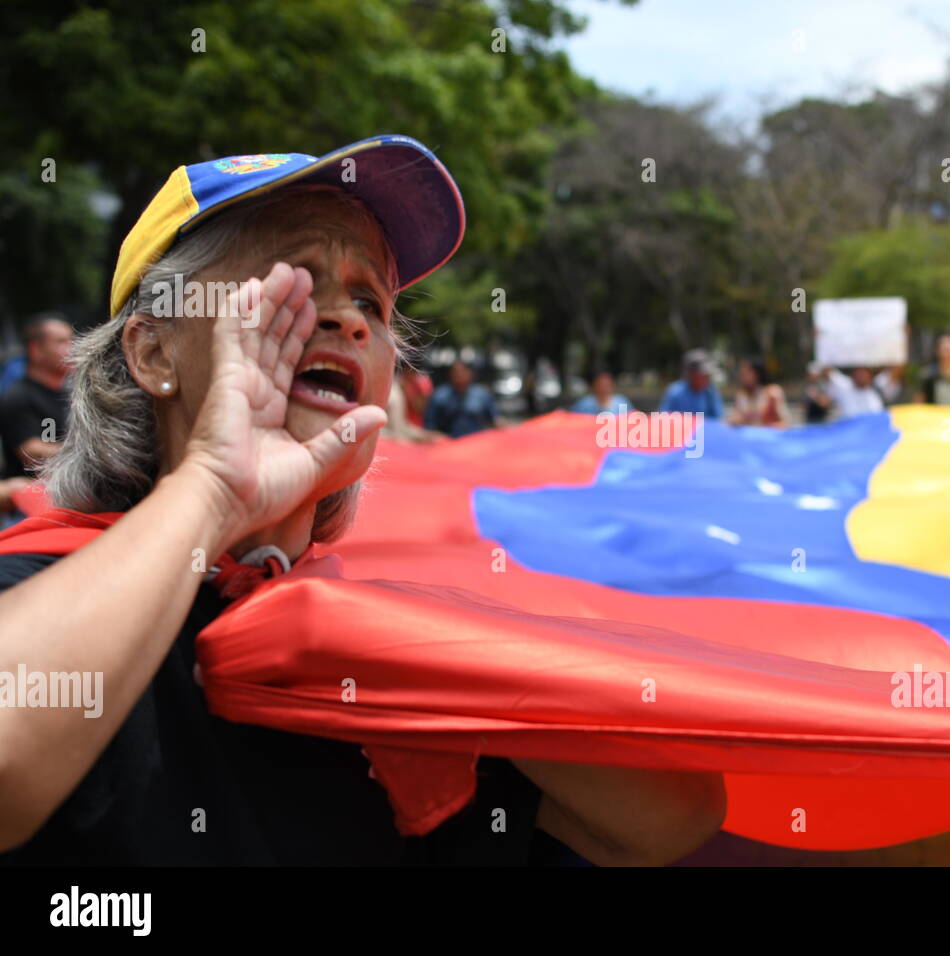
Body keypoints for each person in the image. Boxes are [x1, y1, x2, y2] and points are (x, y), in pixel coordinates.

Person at [0, 136, 724, 866]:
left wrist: (420, 659)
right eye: (293, 285)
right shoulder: (37, 590)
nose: (346, 319)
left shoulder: (369, 646)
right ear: (155, 353)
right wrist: (214, 488)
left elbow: (669, 822)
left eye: (369, 302)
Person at [0, 313, 74, 480]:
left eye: (71, 340)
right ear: (36, 350)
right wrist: (88, 451)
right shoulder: (18, 396)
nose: (72, 348)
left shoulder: (71, 393)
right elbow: (31, 452)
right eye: (62, 342)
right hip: (33, 497)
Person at [424, 359, 499, 438]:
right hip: (449, 444)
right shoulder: (439, 396)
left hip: (477, 443)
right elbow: (430, 426)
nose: (459, 375)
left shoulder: (482, 395)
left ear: (470, 373)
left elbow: (494, 420)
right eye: (455, 372)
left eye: (462, 372)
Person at [660, 349, 724, 419]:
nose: (707, 378)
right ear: (691, 374)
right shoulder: (675, 392)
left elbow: (718, 419)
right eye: (703, 375)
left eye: (707, 375)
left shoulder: (710, 393)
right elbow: (664, 420)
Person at [729, 358, 789, 426]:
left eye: (746, 372)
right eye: (742, 372)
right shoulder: (741, 396)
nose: (742, 375)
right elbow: (732, 419)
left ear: (757, 374)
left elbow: (785, 423)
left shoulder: (772, 393)